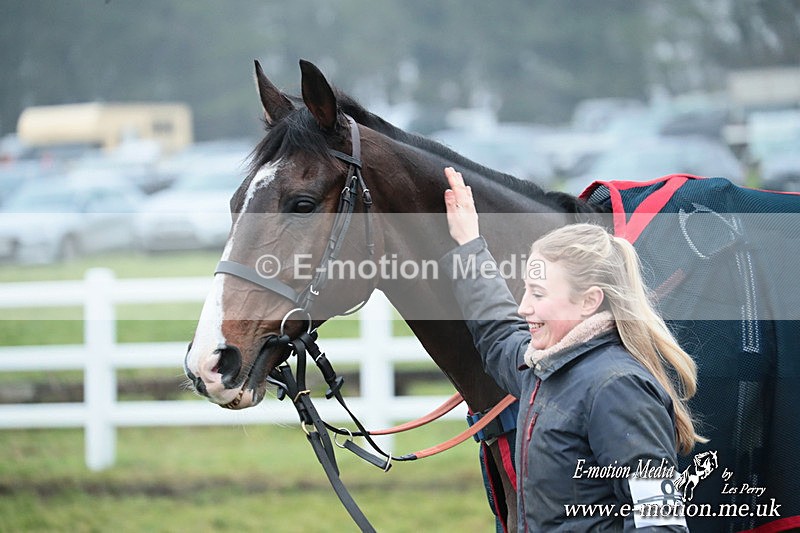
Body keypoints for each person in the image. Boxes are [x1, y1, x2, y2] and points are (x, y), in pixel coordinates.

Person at [440, 167, 704, 531]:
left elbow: (658, 523)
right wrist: (470, 245)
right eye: (526, 290)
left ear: (589, 301)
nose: (524, 308)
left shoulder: (619, 390)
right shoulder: (545, 367)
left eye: (538, 293)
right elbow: (500, 335)